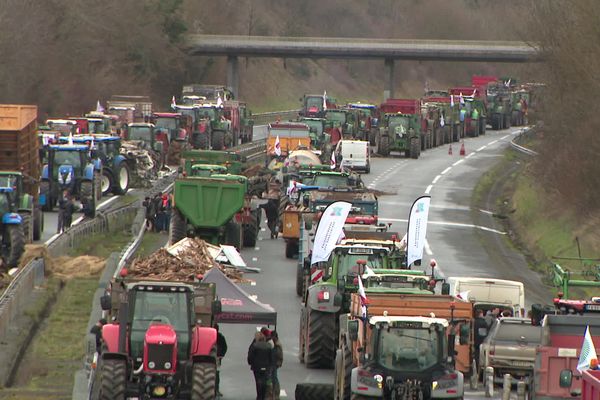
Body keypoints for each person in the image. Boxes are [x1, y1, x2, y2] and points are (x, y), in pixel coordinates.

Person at [247, 331, 274, 400]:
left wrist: (250, 363)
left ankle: (259, 396)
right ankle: (263, 395)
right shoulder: (269, 346)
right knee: (265, 381)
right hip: (266, 367)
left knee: (258, 381)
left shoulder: (255, 346)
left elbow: (251, 356)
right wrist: (270, 366)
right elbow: (271, 357)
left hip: (257, 367)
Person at [215, 324, 228, 397]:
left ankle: (216, 390)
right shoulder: (220, 336)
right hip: (211, 357)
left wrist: (221, 355)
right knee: (216, 374)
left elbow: (224, 347)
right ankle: (216, 390)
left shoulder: (220, 337)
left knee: (216, 374)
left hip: (217, 358)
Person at [271, 331, 283, 400]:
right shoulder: (276, 343)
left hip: (274, 363)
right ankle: (274, 393)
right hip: (275, 363)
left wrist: (278, 362)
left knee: (274, 378)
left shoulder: (277, 344)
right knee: (274, 378)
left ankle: (276, 394)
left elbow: (279, 354)